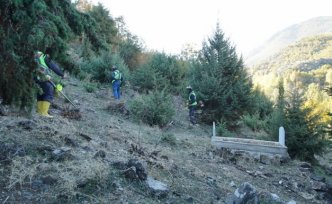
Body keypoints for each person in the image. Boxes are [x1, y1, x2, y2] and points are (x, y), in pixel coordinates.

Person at [34, 50, 64, 117]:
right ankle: (44, 113)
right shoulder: (44, 57)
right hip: (44, 78)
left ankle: (40, 112)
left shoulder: (33, 55)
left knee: (40, 93)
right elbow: (54, 67)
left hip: (36, 78)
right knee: (49, 92)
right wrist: (62, 74)